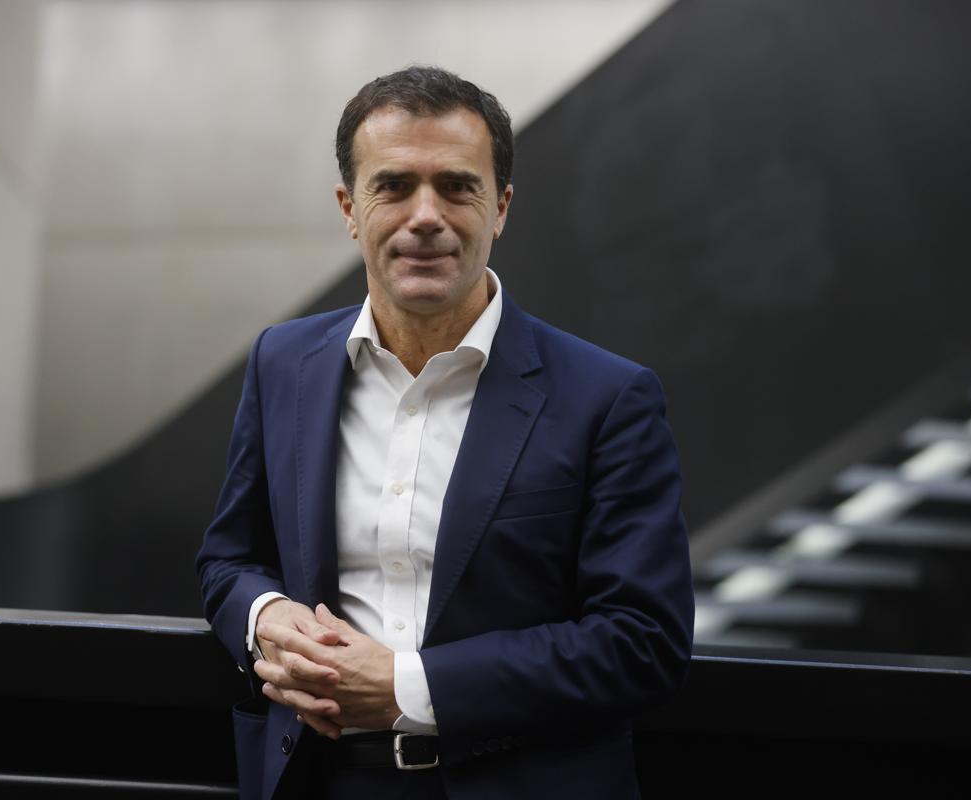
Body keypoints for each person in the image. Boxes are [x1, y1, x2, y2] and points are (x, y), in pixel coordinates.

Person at [195, 65, 693, 800]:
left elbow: (641, 640)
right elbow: (229, 558)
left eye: (457, 186)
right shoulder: (282, 363)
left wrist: (406, 686)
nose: (425, 215)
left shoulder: (610, 397)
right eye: (393, 186)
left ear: (500, 208)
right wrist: (265, 619)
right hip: (314, 779)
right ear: (349, 208)